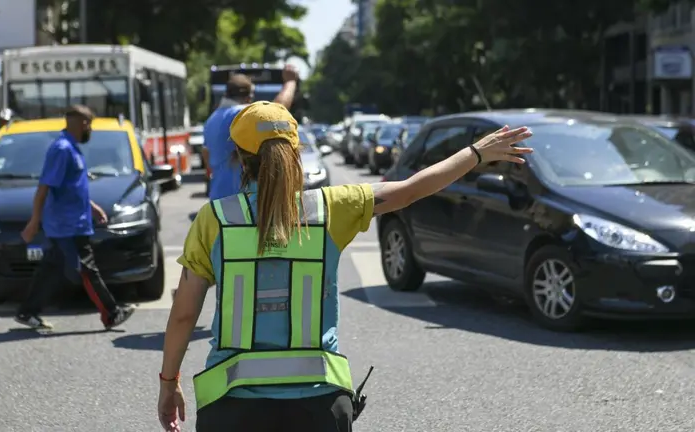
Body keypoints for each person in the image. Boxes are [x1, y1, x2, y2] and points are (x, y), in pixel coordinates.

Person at [156, 101, 533, 431]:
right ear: (295, 152)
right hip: (318, 406)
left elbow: (184, 316)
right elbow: (412, 189)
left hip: (231, 406)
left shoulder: (213, 219)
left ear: (238, 155)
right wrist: (476, 153)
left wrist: (169, 383)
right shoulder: (330, 208)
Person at [15, 104, 135, 330]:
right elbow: (44, 188)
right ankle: (111, 313)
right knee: (87, 268)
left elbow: (70, 187)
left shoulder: (70, 148)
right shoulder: (62, 149)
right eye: (90, 124)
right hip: (67, 225)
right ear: (83, 124)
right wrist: (34, 221)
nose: (91, 129)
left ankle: (26, 311)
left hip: (72, 222)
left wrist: (92, 207)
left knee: (51, 269)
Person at [202, 65, 299, 200]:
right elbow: (276, 112)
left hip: (217, 198)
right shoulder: (240, 114)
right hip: (241, 201)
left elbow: (206, 154)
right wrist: (290, 82)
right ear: (249, 97)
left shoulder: (211, 120)